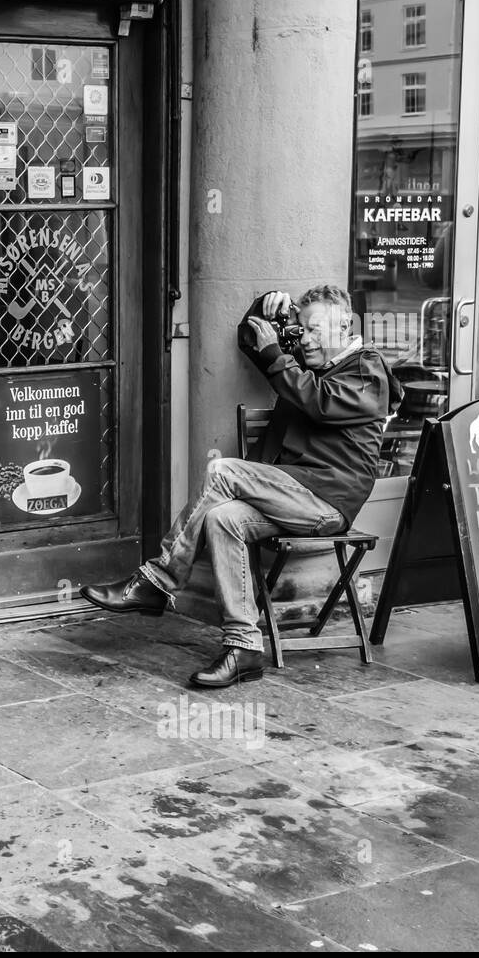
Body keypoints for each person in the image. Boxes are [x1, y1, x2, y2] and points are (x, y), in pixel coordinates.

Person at [81, 285, 401, 688]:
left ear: (343, 325)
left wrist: (276, 354)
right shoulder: (308, 361)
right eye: (301, 329)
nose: (305, 338)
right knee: (222, 518)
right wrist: (266, 304)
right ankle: (244, 647)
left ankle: (157, 581)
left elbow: (319, 402)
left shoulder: (367, 369)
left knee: (223, 472)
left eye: (314, 329)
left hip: (326, 503)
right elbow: (252, 340)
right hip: (292, 494)